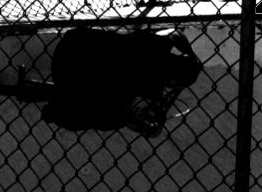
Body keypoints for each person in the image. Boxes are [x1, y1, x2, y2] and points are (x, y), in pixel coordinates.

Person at [42, 27, 203, 138]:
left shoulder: (157, 46)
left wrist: (189, 53)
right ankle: (57, 112)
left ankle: (60, 109)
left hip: (72, 45)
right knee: (118, 116)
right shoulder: (153, 87)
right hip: (72, 79)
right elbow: (131, 121)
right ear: (173, 80)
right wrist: (151, 129)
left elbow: (174, 34)